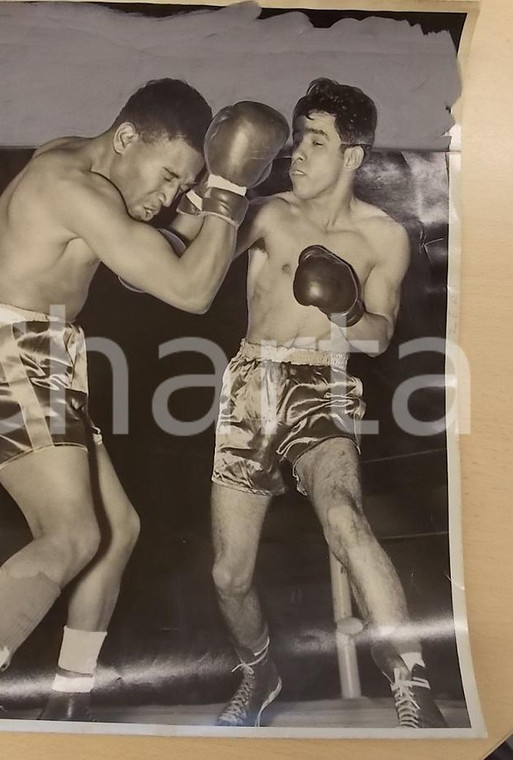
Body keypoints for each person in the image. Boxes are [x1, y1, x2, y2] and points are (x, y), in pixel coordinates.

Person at [0, 78, 288, 721]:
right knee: (71, 534)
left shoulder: (82, 164)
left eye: (181, 184)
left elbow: (138, 260)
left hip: (39, 357)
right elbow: (188, 290)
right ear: (124, 138)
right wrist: (228, 192)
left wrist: (199, 199)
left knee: (118, 533)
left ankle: (69, 698)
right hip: (12, 355)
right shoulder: (70, 188)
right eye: (168, 175)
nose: (168, 194)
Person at [176, 78, 448, 729]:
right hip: (248, 385)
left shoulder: (383, 237)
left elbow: (379, 334)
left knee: (345, 518)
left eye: (315, 141)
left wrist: (346, 306)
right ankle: (259, 671)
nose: (297, 153)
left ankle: (410, 681)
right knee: (227, 576)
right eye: (297, 137)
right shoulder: (267, 213)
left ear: (352, 155)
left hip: (321, 384)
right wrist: (215, 184)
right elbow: (193, 253)